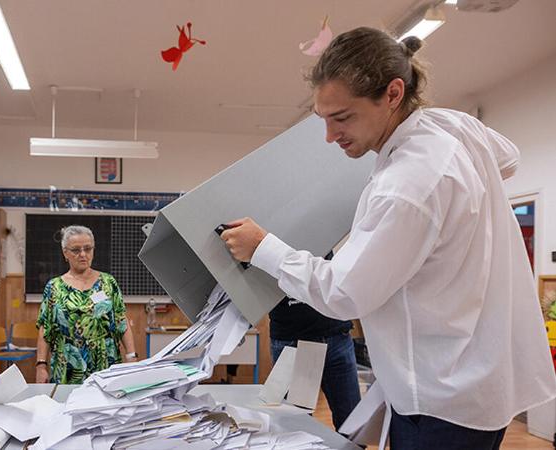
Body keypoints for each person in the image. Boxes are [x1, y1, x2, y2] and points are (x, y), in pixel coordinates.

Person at [220, 27, 556, 449]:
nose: (330, 136)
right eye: (324, 119)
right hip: (478, 384)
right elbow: (509, 158)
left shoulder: (407, 185)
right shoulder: (450, 127)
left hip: (441, 399)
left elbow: (343, 293)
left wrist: (263, 247)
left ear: (393, 94)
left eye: (343, 118)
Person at [35, 225, 138, 384]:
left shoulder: (108, 282)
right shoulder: (54, 287)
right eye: (76, 250)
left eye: (88, 248)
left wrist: (132, 356)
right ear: (65, 253)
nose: (83, 254)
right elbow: (45, 327)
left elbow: (120, 320)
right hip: (67, 365)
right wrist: (41, 365)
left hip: (105, 361)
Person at [270, 254, 360, 432]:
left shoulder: (319, 228)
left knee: (353, 427)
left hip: (337, 336)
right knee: (298, 429)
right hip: (295, 342)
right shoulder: (268, 233)